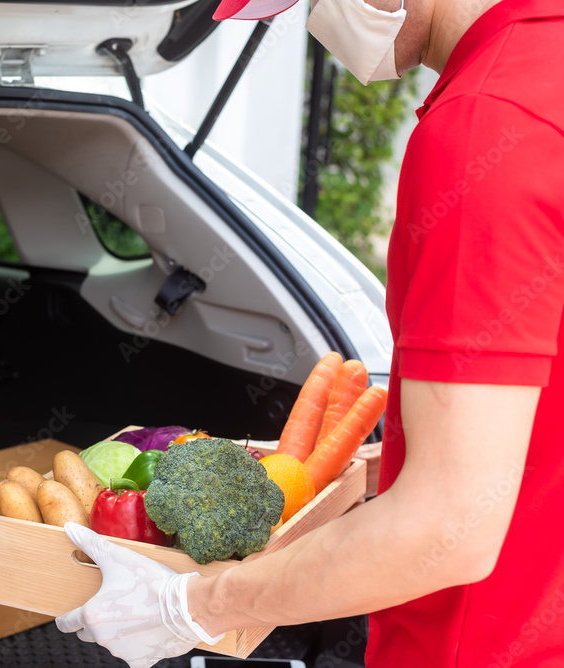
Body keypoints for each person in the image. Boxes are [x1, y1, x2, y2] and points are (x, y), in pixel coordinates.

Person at [55, 0, 564, 665]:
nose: (320, 24)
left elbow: (445, 528)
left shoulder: (486, 127)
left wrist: (187, 606)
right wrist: (356, 467)